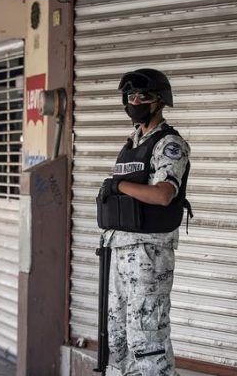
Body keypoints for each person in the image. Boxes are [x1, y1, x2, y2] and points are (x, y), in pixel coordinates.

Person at [97, 68, 192, 375]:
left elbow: (163, 195)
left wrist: (119, 185)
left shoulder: (169, 144)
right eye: (130, 96)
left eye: (142, 96)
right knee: (120, 337)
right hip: (121, 250)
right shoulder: (132, 143)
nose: (135, 101)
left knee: (147, 339)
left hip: (150, 254)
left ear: (159, 101)